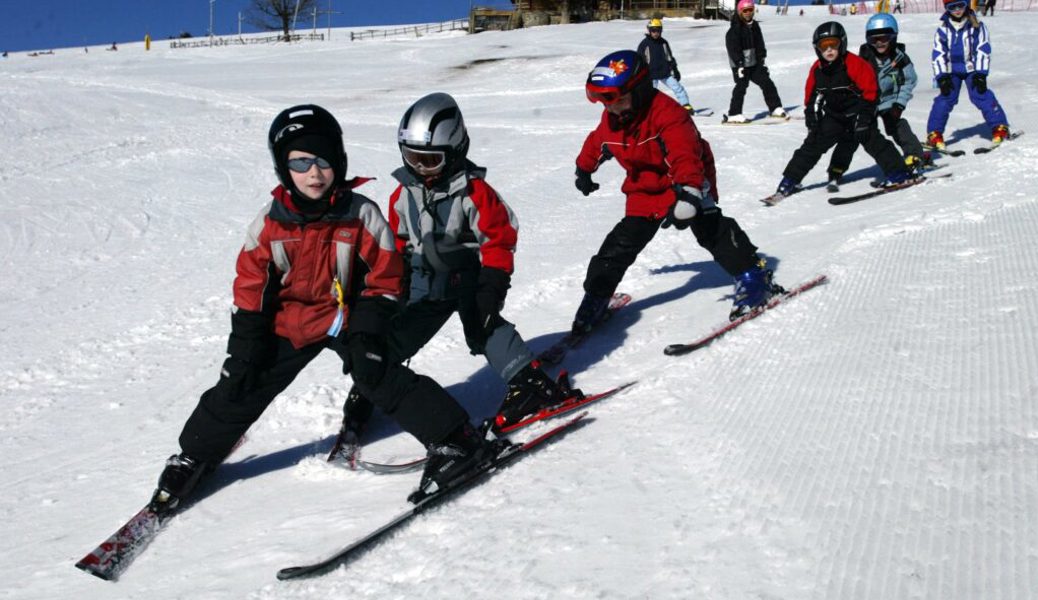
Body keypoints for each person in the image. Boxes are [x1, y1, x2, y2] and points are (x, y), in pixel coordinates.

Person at [150, 104, 494, 513]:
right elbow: (250, 290)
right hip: (290, 322)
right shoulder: (269, 224)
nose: (314, 173)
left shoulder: (360, 214)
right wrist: (244, 349)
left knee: (376, 369)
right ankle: (194, 455)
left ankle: (456, 439)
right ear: (283, 168)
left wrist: (367, 330)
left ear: (340, 161)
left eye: (324, 161)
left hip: (347, 318)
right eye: (300, 162)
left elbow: (386, 275)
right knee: (242, 382)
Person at [334, 92, 574, 455]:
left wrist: (492, 284)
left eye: (430, 161)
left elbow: (500, 236)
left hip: (468, 279)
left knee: (483, 324)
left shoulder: (473, 191)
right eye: (412, 159)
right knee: (394, 333)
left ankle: (530, 383)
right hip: (421, 283)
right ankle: (374, 380)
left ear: (456, 151)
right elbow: (396, 242)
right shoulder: (403, 194)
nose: (420, 169)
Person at [573, 49, 783, 328]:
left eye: (616, 100)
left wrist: (690, 193)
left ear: (640, 90)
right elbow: (599, 141)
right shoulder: (613, 117)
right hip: (644, 189)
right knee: (619, 245)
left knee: (710, 229)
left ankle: (753, 276)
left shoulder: (669, 115)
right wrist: (584, 169)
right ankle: (597, 297)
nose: (610, 108)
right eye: (602, 102)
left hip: (689, 178)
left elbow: (685, 155)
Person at [771, 22, 913, 199]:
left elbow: (871, 93)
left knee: (872, 139)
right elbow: (812, 97)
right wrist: (812, 117)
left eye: (833, 45)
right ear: (818, 49)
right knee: (813, 144)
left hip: (859, 112)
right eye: (824, 46)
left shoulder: (855, 64)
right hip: (834, 116)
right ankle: (789, 181)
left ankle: (899, 174)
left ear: (842, 43)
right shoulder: (818, 69)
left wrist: (864, 118)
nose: (829, 50)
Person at [825, 13, 928, 191]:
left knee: (896, 125)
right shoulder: (863, 59)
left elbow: (909, 81)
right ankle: (837, 167)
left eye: (884, 38)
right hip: (867, 102)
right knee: (856, 130)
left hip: (890, 101)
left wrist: (899, 103)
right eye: (874, 40)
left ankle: (914, 156)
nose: (879, 43)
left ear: (893, 36)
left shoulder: (900, 59)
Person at [925, 0, 1010, 149]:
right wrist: (942, 76)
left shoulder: (976, 25)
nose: (957, 10)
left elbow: (983, 48)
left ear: (967, 5)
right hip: (952, 70)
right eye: (952, 7)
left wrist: (981, 73)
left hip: (972, 69)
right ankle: (934, 134)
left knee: (981, 94)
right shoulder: (943, 29)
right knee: (946, 98)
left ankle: (1000, 127)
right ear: (946, 8)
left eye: (961, 6)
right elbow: (938, 53)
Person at [723, 0, 787, 123]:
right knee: (741, 86)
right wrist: (739, 65)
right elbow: (733, 49)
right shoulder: (734, 30)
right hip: (740, 65)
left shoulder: (755, 26)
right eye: (745, 11)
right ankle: (734, 114)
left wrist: (762, 59)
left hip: (754, 63)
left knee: (767, 83)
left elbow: (759, 44)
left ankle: (775, 108)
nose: (748, 13)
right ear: (740, 11)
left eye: (750, 10)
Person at [637, 18, 695, 115]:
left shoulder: (663, 43)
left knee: (678, 88)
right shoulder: (644, 44)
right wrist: (641, 74)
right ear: (649, 31)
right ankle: (646, 111)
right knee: (649, 93)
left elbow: (669, 57)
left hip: (665, 72)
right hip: (650, 74)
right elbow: (640, 59)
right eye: (653, 31)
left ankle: (686, 105)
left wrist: (675, 69)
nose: (656, 33)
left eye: (658, 31)